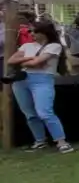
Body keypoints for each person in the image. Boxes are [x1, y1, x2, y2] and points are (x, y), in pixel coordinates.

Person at [6, 21, 74, 153]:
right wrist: (31, 59)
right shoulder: (27, 45)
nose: (31, 34)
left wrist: (27, 60)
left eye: (34, 31)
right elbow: (11, 60)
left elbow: (37, 62)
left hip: (42, 80)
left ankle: (61, 141)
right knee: (29, 114)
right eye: (30, 31)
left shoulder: (54, 46)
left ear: (44, 32)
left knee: (44, 112)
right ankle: (40, 141)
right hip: (22, 80)